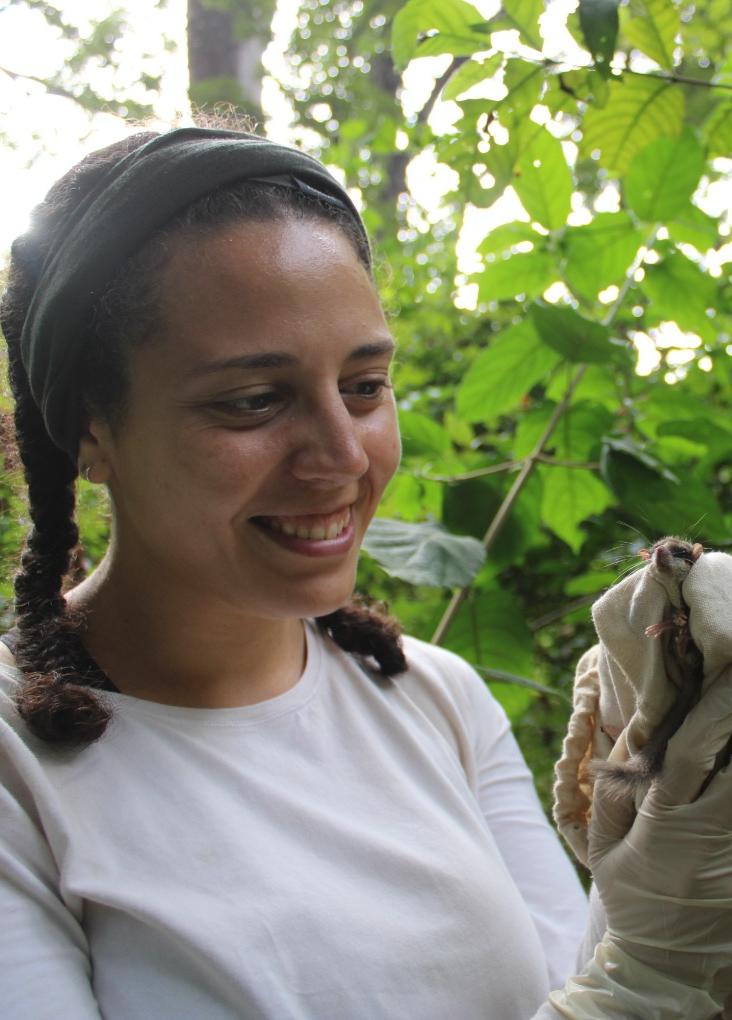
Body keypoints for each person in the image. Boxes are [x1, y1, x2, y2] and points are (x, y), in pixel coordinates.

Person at [1, 126, 731, 1020]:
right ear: (88, 428)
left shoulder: (437, 700)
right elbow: (624, 992)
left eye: (364, 385)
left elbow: (569, 993)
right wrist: (650, 974)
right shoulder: (18, 768)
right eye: (253, 400)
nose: (342, 458)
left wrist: (667, 884)